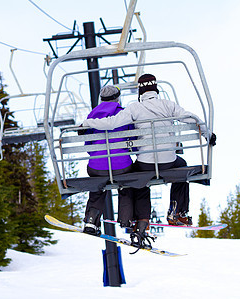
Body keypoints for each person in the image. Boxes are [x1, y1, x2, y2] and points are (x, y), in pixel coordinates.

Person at [83, 74, 216, 227]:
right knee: (182, 168)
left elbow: (112, 122)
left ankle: (139, 222)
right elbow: (190, 118)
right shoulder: (168, 105)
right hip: (169, 162)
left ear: (140, 92)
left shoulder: (134, 108)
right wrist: (208, 134)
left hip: (145, 163)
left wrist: (87, 123)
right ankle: (177, 212)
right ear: (156, 89)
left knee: (138, 179)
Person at [81, 85, 151, 246]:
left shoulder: (91, 116)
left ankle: (91, 220)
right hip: (121, 167)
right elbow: (133, 140)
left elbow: (88, 145)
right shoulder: (124, 113)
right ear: (117, 98)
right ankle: (126, 219)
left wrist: (98, 157)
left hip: (97, 167)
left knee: (97, 185)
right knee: (130, 181)